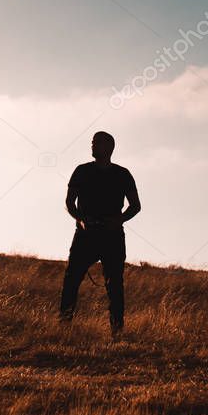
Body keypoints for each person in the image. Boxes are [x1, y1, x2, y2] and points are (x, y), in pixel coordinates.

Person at [59, 131, 141, 338]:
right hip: (85, 235)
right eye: (92, 142)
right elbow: (69, 202)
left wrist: (118, 220)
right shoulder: (81, 171)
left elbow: (135, 206)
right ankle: (63, 328)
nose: (93, 146)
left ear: (109, 147)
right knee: (71, 280)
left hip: (112, 236)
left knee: (114, 284)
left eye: (97, 143)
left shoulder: (123, 175)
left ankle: (117, 332)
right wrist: (80, 219)